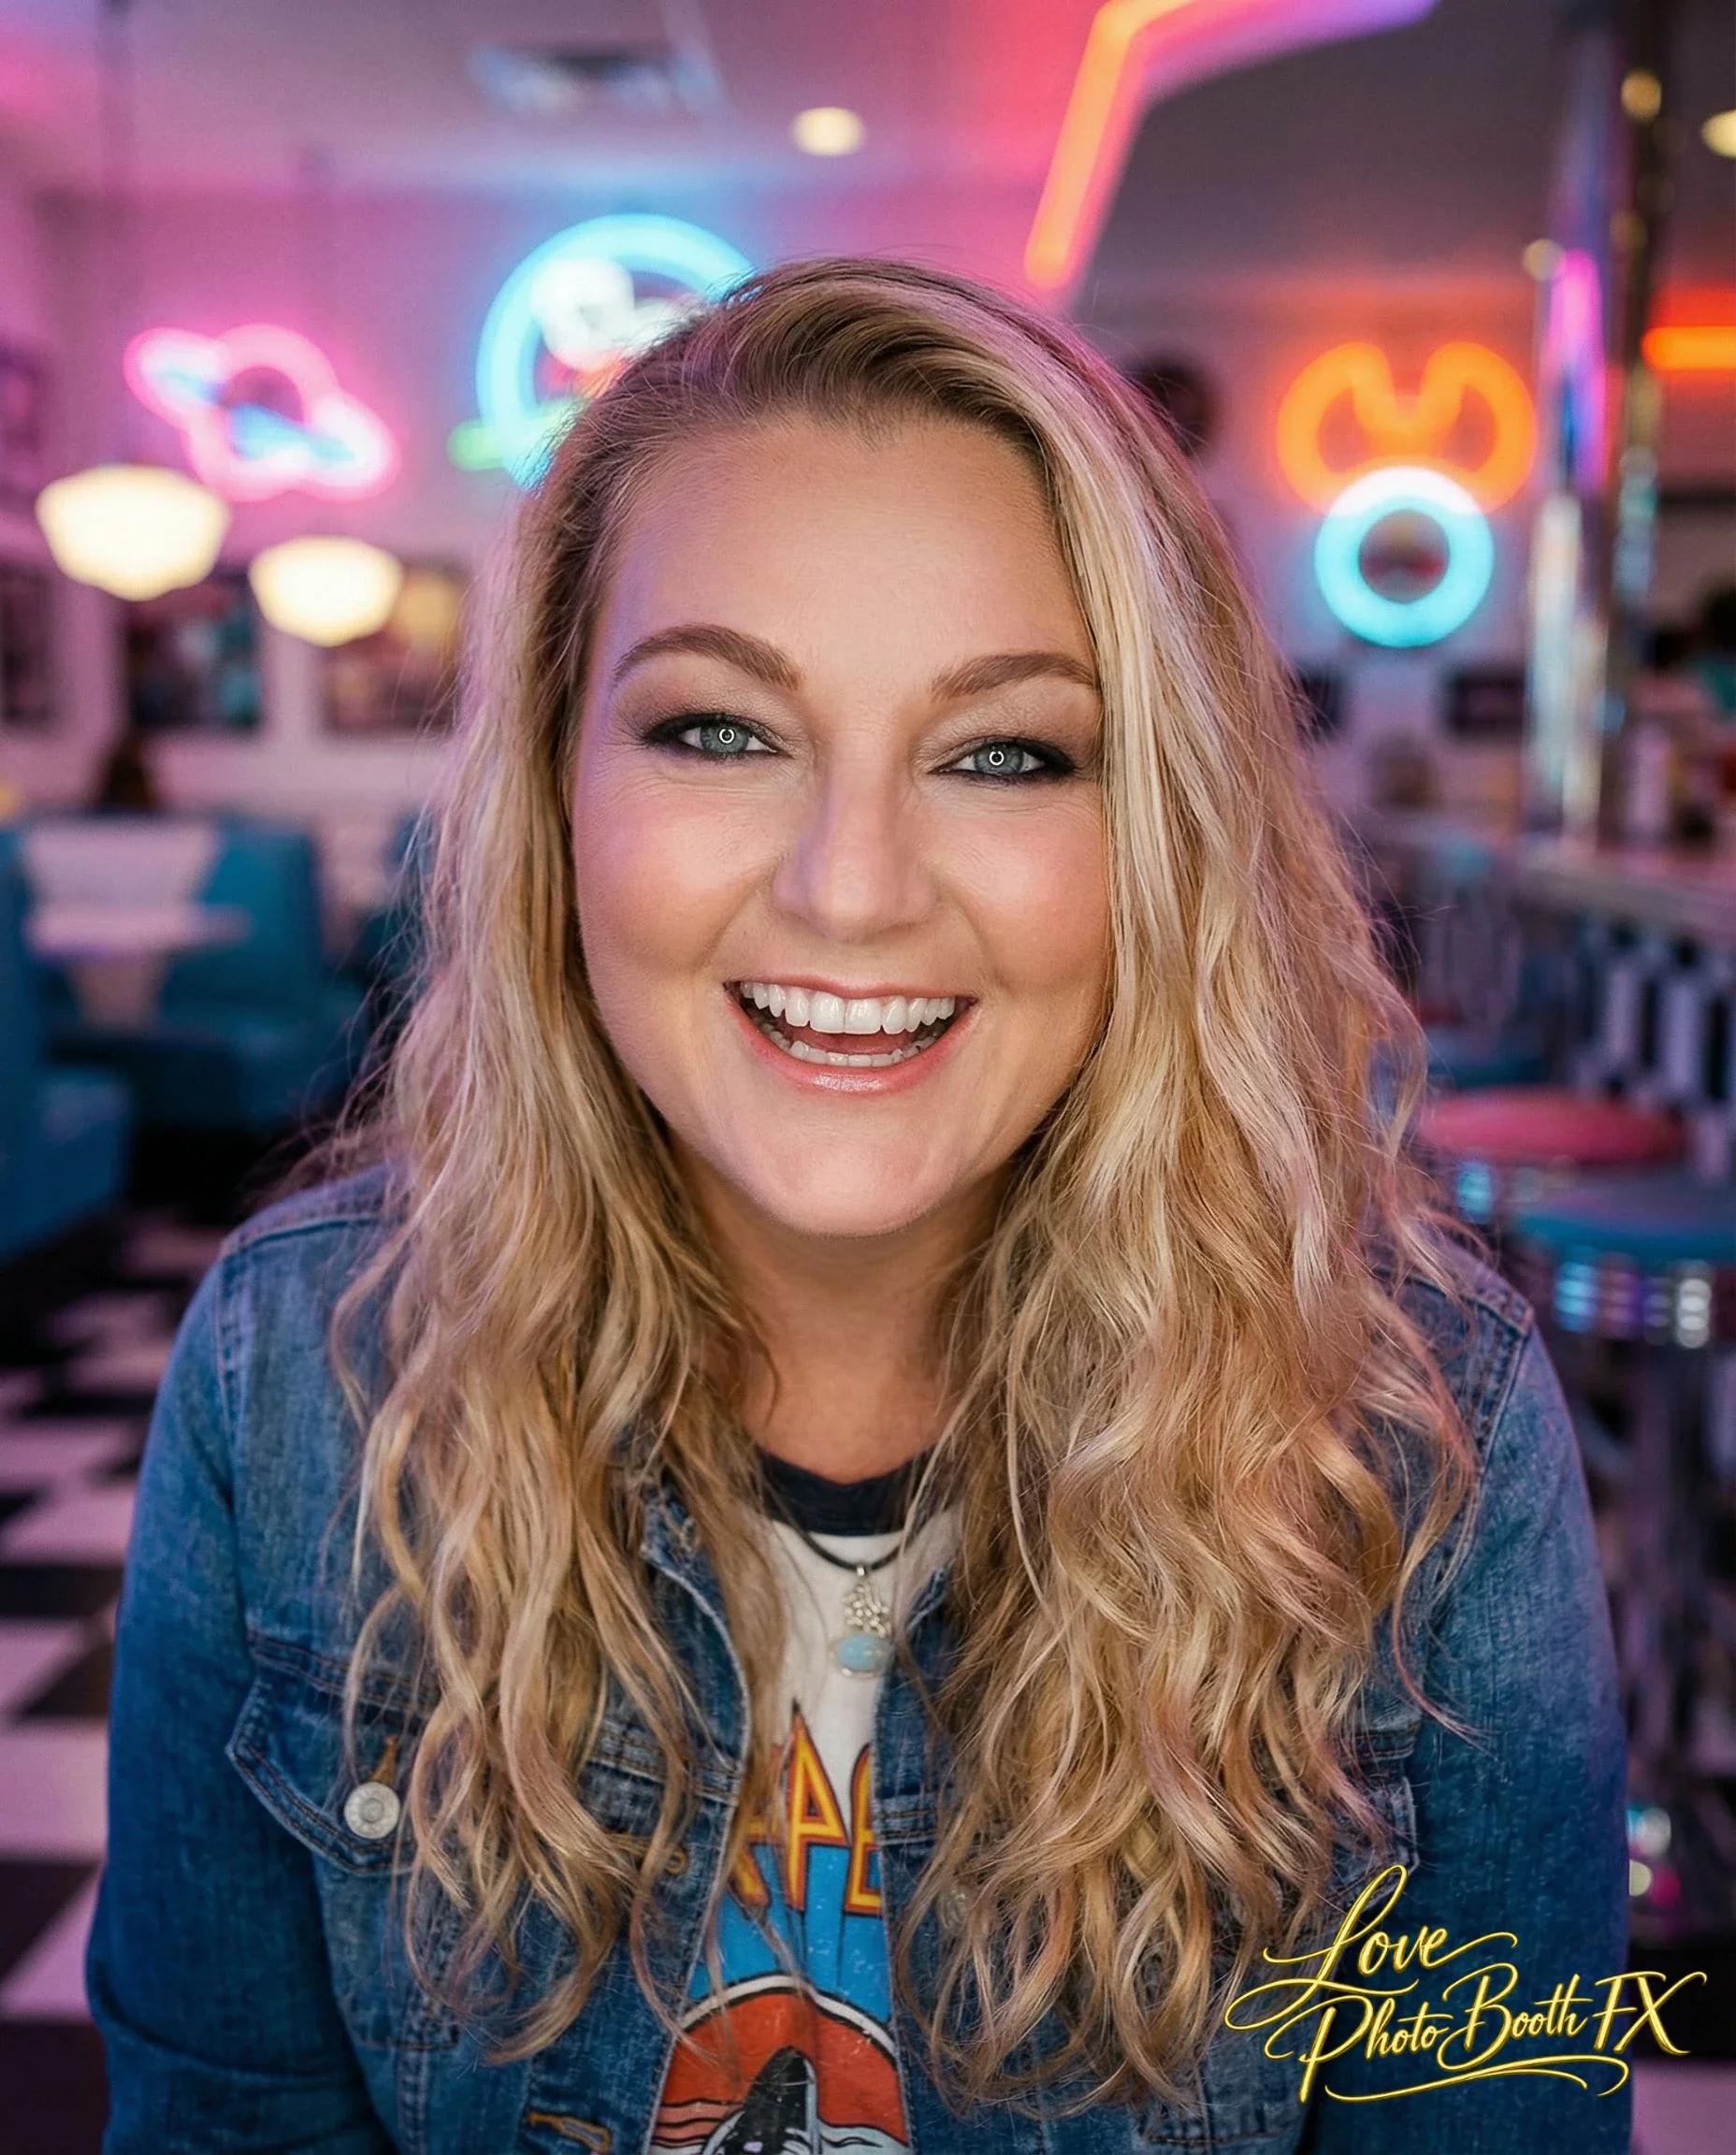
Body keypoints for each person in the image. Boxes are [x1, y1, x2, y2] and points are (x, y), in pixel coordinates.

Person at [88, 261, 1628, 2153]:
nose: (852, 887)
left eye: (1004, 752)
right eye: (719, 730)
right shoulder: (289, 1390)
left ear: (1155, 832)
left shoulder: (1421, 1445)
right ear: (557, 796)